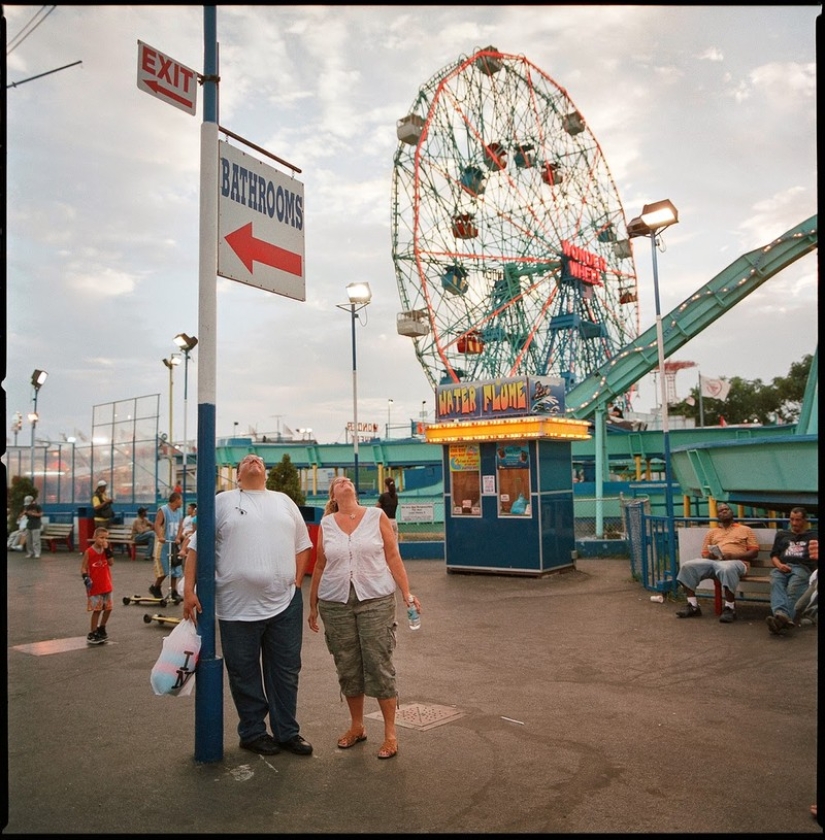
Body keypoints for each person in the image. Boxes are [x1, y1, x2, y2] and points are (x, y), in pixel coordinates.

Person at [182, 454, 314, 757]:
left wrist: (295, 583)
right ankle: (253, 733)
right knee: (244, 672)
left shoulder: (284, 501)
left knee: (286, 670)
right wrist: (188, 591)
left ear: (265, 473)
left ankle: (287, 732)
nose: (254, 460)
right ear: (238, 475)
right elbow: (195, 548)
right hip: (236, 606)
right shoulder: (222, 501)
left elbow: (302, 545)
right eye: (247, 460)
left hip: (285, 603)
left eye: (259, 460)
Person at [308, 475, 421, 760]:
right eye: (338, 481)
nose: (344, 481)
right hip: (335, 602)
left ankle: (390, 734)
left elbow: (393, 556)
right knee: (347, 665)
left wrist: (407, 593)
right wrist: (312, 606)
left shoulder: (375, 516)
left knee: (378, 663)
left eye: (347, 479)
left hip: (375, 599)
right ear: (333, 495)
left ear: (355, 490)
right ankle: (357, 726)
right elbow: (320, 565)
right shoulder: (327, 524)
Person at [675, 502, 759, 623]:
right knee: (687, 566)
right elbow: (704, 554)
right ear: (718, 516)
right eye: (720, 511)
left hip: (738, 562)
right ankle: (693, 605)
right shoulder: (712, 532)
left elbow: (754, 553)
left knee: (726, 568)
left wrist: (732, 556)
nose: (724, 511)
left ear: (732, 513)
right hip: (715, 562)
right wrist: (711, 555)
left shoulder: (746, 530)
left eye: (726, 509)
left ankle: (730, 608)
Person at [765, 507, 818, 635]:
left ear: (805, 520)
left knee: (794, 587)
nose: (794, 523)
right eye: (792, 519)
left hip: (802, 568)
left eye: (798, 520)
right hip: (782, 567)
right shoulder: (781, 535)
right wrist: (779, 565)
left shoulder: (814, 536)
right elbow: (774, 556)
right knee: (776, 582)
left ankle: (780, 618)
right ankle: (782, 617)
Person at [81, 526, 114, 645]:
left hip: (106, 584)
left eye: (106, 538)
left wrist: (107, 550)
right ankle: (93, 632)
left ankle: (102, 627)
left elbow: (111, 563)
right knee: (97, 609)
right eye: (101, 538)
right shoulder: (89, 552)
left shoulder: (106, 551)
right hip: (95, 586)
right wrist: (85, 577)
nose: (103, 540)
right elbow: (83, 567)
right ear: (95, 537)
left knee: (108, 608)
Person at [151, 491, 183, 603]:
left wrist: (178, 537)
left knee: (175, 568)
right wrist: (160, 536)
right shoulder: (163, 510)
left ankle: (174, 591)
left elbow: (181, 527)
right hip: (164, 544)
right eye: (180, 499)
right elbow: (157, 524)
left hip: (174, 544)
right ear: (176, 500)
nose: (181, 502)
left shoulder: (179, 513)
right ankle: (156, 587)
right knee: (165, 569)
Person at [376, 476, 399, 541]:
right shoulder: (395, 496)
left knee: (385, 541)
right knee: (394, 542)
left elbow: (377, 507)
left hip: (386, 521)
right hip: (394, 521)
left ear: (385, 485)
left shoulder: (383, 496)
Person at [23, 494, 43, 559]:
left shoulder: (37, 507)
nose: (28, 505)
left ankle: (37, 553)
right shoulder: (27, 507)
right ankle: (30, 553)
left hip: (36, 525)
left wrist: (32, 513)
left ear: (32, 501)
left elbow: (41, 514)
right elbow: (24, 514)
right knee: (28, 541)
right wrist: (25, 513)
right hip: (29, 525)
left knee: (36, 540)